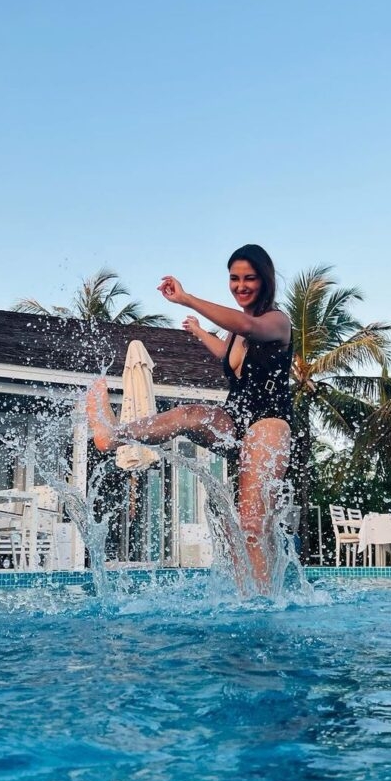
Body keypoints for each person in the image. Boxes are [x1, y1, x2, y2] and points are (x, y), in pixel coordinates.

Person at [86, 244, 293, 592]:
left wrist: (187, 299)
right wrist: (199, 332)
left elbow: (246, 323)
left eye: (249, 278)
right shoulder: (235, 334)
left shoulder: (276, 321)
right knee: (190, 415)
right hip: (237, 417)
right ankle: (113, 435)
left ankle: (264, 602)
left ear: (266, 280)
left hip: (270, 422)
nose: (241, 286)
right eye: (234, 278)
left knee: (251, 524)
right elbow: (227, 355)